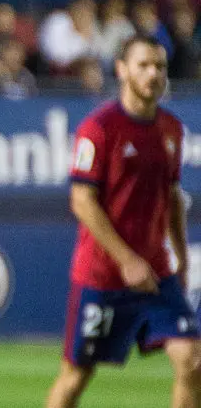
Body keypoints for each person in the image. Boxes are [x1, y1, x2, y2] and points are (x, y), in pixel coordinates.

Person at [47, 36, 201, 408]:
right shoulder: (98, 129)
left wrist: (180, 256)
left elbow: (172, 198)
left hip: (156, 276)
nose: (153, 74)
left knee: (193, 360)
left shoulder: (171, 130)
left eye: (160, 67)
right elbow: (82, 201)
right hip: (103, 277)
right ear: (121, 70)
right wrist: (126, 259)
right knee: (76, 376)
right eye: (144, 65)